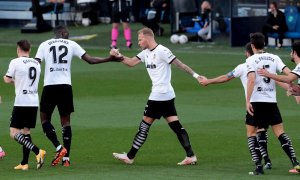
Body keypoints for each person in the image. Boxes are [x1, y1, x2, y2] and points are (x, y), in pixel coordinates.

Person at [111, 27, 206, 165]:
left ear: (148, 38)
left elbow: (180, 64)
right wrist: (118, 56)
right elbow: (131, 62)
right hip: (166, 95)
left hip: (158, 96)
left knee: (144, 126)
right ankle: (191, 156)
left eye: (140, 39)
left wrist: (197, 76)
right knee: (176, 126)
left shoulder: (162, 51)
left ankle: (130, 157)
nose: (138, 42)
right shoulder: (146, 53)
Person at [35, 25, 123, 167]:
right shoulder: (72, 44)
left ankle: (58, 147)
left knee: (45, 120)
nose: (68, 35)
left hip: (49, 86)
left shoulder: (44, 45)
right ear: (63, 33)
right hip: (65, 86)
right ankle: (66, 159)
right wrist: (110, 59)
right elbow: (91, 60)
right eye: (67, 33)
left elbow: (36, 64)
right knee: (66, 122)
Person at [200, 42, 273, 170]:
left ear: (247, 53)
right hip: (268, 101)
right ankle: (267, 159)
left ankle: (258, 164)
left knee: (251, 132)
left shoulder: (243, 67)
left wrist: (208, 81)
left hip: (254, 102)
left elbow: (225, 77)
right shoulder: (266, 66)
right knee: (262, 129)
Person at [246, 32, 300, 175]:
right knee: (280, 132)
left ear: (252, 46)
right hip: (271, 102)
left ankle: (258, 167)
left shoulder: (251, 60)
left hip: (256, 101)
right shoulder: (274, 57)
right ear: (264, 44)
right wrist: (291, 86)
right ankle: (295, 161)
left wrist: (247, 101)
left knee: (251, 133)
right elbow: (289, 73)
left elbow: (251, 80)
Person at [3, 40, 46, 170]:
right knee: (26, 132)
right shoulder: (36, 63)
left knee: (13, 133)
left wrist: (13, 81)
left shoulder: (15, 62)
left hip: (21, 102)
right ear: (29, 49)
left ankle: (38, 151)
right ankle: (24, 163)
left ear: (18, 49)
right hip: (33, 101)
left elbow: (7, 78)